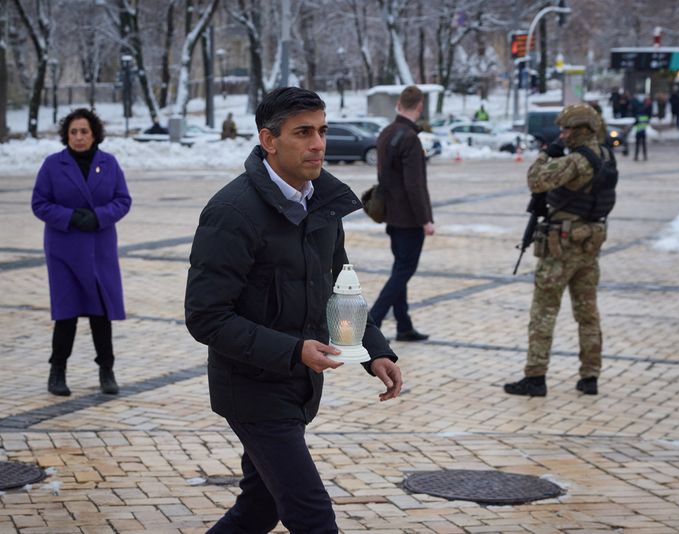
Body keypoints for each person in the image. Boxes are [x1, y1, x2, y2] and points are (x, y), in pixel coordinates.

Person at [184, 87, 402, 533]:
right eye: (303, 132)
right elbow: (206, 316)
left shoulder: (321, 202)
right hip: (251, 387)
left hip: (297, 385)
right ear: (269, 140)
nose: (318, 143)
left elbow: (339, 286)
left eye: (321, 130)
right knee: (313, 517)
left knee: (261, 508)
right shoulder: (232, 211)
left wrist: (376, 350)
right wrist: (293, 351)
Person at [504, 104, 616, 397]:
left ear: (582, 130)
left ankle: (535, 376)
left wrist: (547, 153)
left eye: (567, 130)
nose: (562, 135)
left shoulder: (578, 160)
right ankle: (590, 375)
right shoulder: (605, 154)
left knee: (544, 311)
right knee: (587, 312)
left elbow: (536, 179)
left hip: (561, 247)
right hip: (589, 244)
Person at [31, 108, 131, 396]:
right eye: (73, 132)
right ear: (66, 135)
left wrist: (99, 216)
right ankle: (57, 372)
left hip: (99, 249)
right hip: (64, 251)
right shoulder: (53, 165)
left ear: (94, 134)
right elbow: (39, 203)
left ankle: (106, 370)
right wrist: (70, 217)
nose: (78, 137)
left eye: (84, 131)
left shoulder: (108, 163)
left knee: (101, 314)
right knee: (66, 314)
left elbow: (123, 200)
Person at [369, 85, 435, 342]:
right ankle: (373, 321)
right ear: (419, 107)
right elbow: (414, 185)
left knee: (400, 268)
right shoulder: (409, 138)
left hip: (392, 215)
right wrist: (425, 220)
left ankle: (404, 326)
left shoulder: (386, 133)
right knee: (404, 271)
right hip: (408, 219)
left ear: (399, 104)